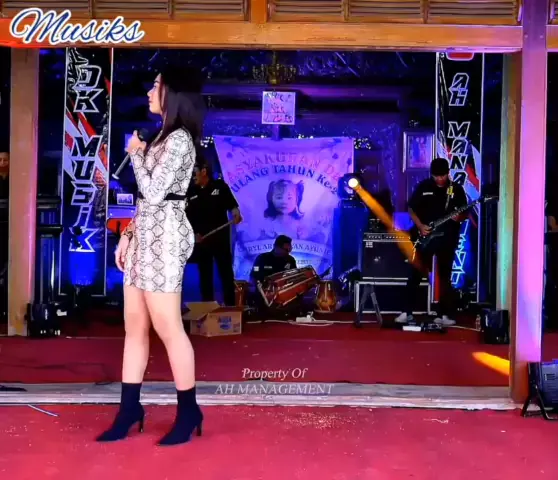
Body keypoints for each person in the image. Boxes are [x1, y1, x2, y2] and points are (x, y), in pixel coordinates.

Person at [96, 67, 204, 446]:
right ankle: (129, 408)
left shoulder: (180, 140)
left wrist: (137, 155)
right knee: (135, 326)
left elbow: (155, 193)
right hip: (144, 235)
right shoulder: (161, 136)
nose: (148, 92)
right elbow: (145, 202)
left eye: (155, 86)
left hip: (167, 237)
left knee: (168, 326)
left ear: (172, 93)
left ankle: (188, 410)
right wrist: (127, 235)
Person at [395, 158, 467, 327]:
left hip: (448, 238)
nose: (440, 179)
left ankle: (444, 314)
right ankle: (407, 312)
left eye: (443, 176)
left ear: (448, 173)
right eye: (436, 176)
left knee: (445, 277)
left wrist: (459, 217)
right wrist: (420, 226)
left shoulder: (456, 189)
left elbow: (464, 213)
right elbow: (411, 208)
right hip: (425, 237)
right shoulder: (424, 186)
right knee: (416, 273)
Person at [186, 162, 242, 306]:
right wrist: (193, 234)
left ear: (204, 171)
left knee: (226, 274)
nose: (192, 177)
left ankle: (230, 306)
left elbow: (233, 207)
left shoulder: (220, 187)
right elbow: (186, 218)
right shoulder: (191, 191)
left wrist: (236, 214)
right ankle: (207, 307)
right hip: (201, 240)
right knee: (205, 276)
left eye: (194, 172)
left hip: (220, 239)